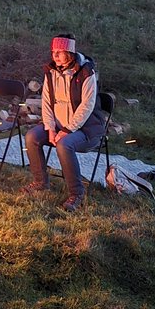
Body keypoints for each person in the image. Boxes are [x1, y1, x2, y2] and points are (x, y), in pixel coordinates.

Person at [21, 34, 105, 212]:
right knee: (31, 137)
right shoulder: (51, 72)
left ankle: (76, 193)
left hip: (87, 129)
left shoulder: (86, 73)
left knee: (63, 145)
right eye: (53, 52)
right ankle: (40, 182)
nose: (55, 56)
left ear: (70, 52)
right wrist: (50, 128)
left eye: (60, 52)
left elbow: (87, 106)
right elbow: (46, 102)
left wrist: (67, 130)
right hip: (59, 125)